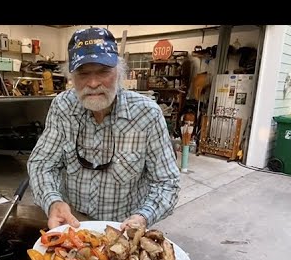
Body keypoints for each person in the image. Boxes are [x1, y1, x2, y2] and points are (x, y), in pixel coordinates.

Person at [27, 27, 180, 230]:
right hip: (73, 225)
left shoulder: (147, 115)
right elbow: (42, 164)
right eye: (83, 74)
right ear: (71, 76)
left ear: (119, 72)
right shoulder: (62, 107)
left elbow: (166, 182)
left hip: (121, 229)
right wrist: (53, 201)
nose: (93, 83)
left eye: (103, 72)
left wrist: (143, 217)